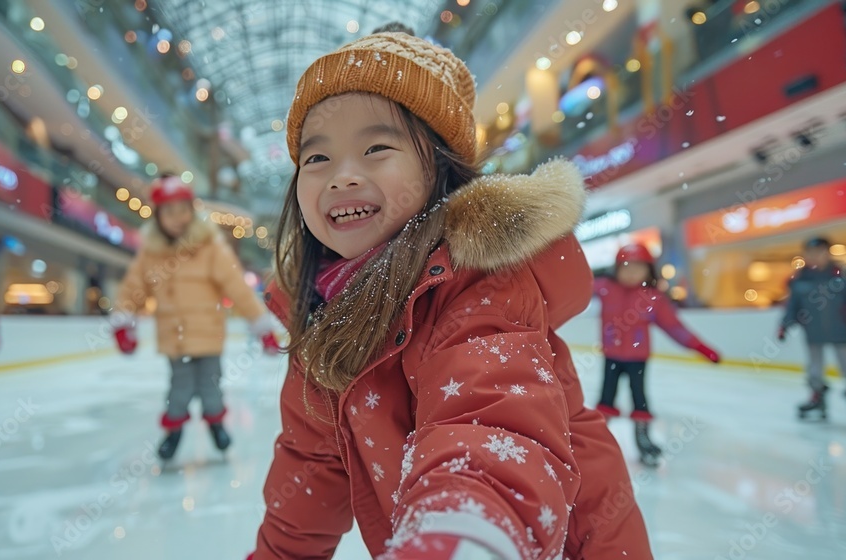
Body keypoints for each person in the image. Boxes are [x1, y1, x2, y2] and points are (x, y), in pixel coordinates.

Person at [247, 31, 652, 560]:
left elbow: (488, 427)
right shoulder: (327, 319)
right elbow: (308, 472)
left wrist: (463, 536)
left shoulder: (477, 283)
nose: (342, 176)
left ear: (438, 168)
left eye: (376, 148)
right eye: (316, 157)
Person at [111, 176, 280, 461]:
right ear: (158, 215)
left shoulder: (210, 247)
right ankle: (173, 432)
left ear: (191, 211)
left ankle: (216, 424)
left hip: (208, 336)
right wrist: (124, 321)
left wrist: (261, 326)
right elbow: (133, 289)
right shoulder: (150, 253)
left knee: (211, 386)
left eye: (182, 210)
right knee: (179, 389)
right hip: (174, 339)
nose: (177, 219)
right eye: (169, 212)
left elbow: (237, 287)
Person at [593, 244, 720, 466]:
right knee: (606, 399)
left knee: (640, 400)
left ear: (648, 270)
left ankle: (643, 440)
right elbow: (570, 288)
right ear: (616, 269)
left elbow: (675, 327)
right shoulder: (604, 288)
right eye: (625, 267)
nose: (631, 272)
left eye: (638, 267)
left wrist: (701, 348)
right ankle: (596, 442)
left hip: (637, 360)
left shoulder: (653, 298)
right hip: (611, 357)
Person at [779, 237, 846, 424]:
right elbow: (793, 306)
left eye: (820, 252)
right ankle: (817, 397)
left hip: (841, 330)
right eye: (811, 253)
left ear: (828, 253)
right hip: (813, 332)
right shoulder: (800, 278)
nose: (816, 257)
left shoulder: (842, 275)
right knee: (815, 367)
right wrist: (784, 325)